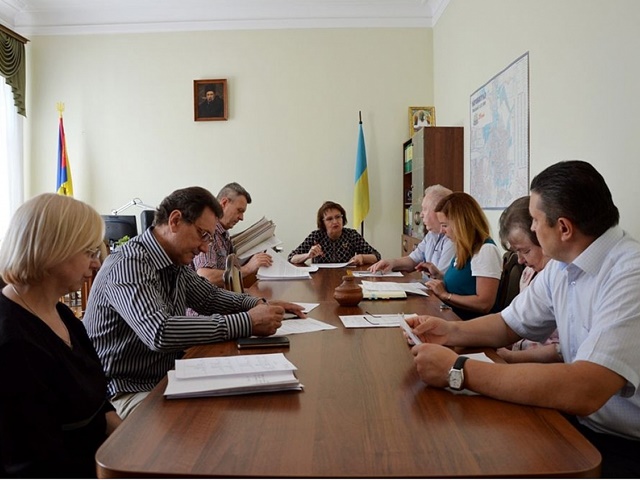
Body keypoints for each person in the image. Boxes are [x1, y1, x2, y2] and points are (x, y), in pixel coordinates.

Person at [406, 160, 640, 477]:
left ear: (564, 228)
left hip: (623, 446)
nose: (532, 229)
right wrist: (448, 331)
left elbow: (586, 389)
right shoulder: (562, 265)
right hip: (579, 424)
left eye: (535, 220)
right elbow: (508, 324)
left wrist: (457, 370)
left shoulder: (630, 274)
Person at [83, 186, 304, 419]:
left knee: (240, 412)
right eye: (202, 234)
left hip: (166, 376)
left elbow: (210, 297)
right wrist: (247, 322)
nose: (205, 247)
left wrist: (258, 303)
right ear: (175, 221)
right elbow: (160, 332)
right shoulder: (129, 263)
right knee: (200, 428)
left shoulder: (173, 262)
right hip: (124, 390)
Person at [0, 193, 121, 477]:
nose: (97, 264)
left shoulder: (62, 313)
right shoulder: (12, 343)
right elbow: (32, 464)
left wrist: (133, 439)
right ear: (52, 250)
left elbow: (97, 405)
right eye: (89, 252)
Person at [495, 195, 560, 364]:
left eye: (525, 251)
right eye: (516, 252)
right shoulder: (527, 274)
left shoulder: (561, 277)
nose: (520, 260)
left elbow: (562, 350)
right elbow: (515, 322)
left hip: (543, 368)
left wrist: (511, 357)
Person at [421, 192, 502, 320]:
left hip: (471, 325)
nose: (442, 231)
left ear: (461, 223)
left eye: (445, 225)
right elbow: (464, 285)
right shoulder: (465, 248)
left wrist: (445, 295)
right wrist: (439, 276)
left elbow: (484, 304)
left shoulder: (485, 251)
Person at [191, 182, 272, 289]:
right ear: (224, 203)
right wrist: (247, 269)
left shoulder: (224, 235)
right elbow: (206, 277)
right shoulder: (209, 233)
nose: (241, 218)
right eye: (239, 211)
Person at [369, 185, 454, 275]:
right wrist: (392, 263)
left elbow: (440, 278)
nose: (421, 215)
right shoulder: (431, 234)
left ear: (439, 211)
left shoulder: (452, 239)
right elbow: (413, 260)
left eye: (424, 209)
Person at [288, 201, 381, 265]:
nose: (335, 222)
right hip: (321, 279)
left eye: (338, 217)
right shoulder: (316, 236)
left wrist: (362, 257)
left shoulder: (352, 235)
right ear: (323, 223)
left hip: (346, 278)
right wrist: (307, 255)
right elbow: (291, 258)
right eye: (329, 219)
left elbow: (376, 256)